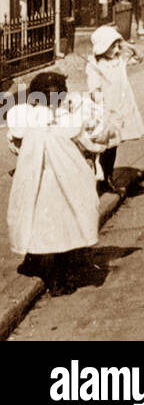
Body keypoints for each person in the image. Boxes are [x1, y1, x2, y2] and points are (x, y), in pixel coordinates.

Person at [7, 70, 117, 296]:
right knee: (64, 225)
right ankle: (58, 278)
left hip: (34, 181)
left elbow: (14, 143)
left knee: (36, 220)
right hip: (66, 181)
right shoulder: (68, 121)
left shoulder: (25, 120)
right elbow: (93, 142)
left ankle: (35, 261)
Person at [85, 25, 144, 195]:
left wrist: (126, 44)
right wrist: (100, 109)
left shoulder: (118, 61)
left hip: (121, 108)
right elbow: (94, 89)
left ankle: (108, 177)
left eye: (117, 45)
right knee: (102, 146)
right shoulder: (95, 66)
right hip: (106, 109)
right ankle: (101, 180)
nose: (116, 49)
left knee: (113, 146)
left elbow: (140, 57)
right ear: (103, 47)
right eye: (113, 46)